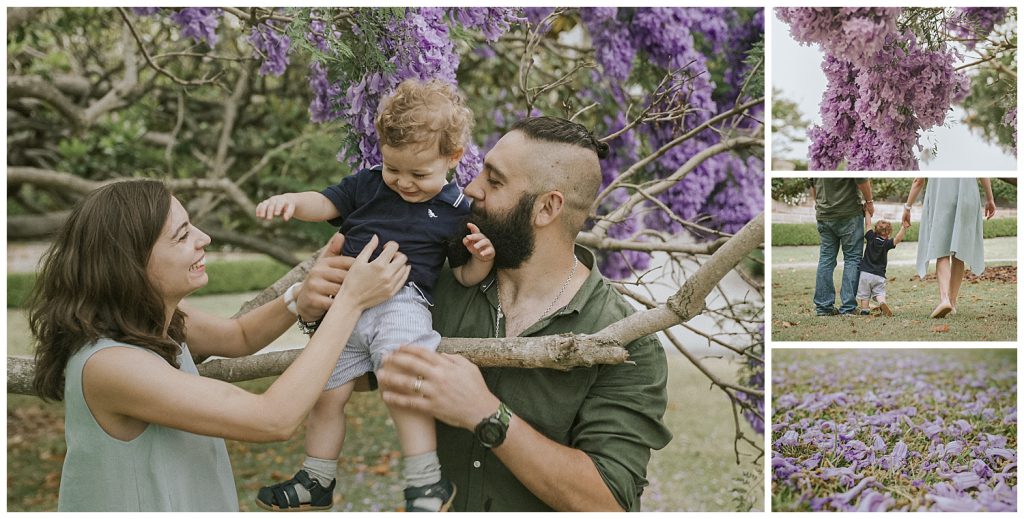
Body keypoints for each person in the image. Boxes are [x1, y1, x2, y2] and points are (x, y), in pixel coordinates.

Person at [299, 116, 673, 511]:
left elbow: (609, 502)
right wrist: (313, 313)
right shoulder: (432, 285)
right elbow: (357, 375)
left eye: (494, 181)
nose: (471, 187)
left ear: (546, 207)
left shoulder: (625, 341)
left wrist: (487, 414)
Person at [28, 180, 410, 512]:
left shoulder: (156, 321)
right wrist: (350, 303)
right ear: (129, 264)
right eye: (182, 236)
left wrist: (301, 295)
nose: (204, 238)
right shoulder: (110, 365)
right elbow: (273, 418)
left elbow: (238, 336)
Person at [252, 78, 494, 512]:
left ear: (453, 158)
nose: (403, 182)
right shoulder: (367, 184)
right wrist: (291, 200)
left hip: (401, 303)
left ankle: (425, 483)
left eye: (419, 174)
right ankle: (317, 477)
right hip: (346, 308)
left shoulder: (458, 209)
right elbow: (325, 203)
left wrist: (482, 259)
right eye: (392, 168)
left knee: (402, 383)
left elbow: (463, 277)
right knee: (326, 390)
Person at [903, 177, 996, 318]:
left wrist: (908, 207)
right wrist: (990, 199)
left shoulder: (931, 153)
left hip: (941, 196)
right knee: (959, 251)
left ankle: (945, 299)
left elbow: (919, 180)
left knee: (942, 250)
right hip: (968, 196)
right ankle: (952, 304)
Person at [808, 178, 873, 316]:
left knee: (826, 259)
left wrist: (820, 205)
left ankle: (823, 308)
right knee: (853, 259)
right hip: (849, 214)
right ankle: (848, 308)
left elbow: (813, 185)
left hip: (824, 215)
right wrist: (869, 202)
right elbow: (861, 179)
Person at [856, 213, 909, 316]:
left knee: (865, 294)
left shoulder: (871, 237)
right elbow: (897, 239)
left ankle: (865, 310)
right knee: (879, 292)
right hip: (879, 275)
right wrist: (904, 227)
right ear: (888, 232)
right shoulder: (886, 243)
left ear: (876, 229)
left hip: (865, 273)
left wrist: (867, 212)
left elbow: (867, 224)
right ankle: (882, 302)